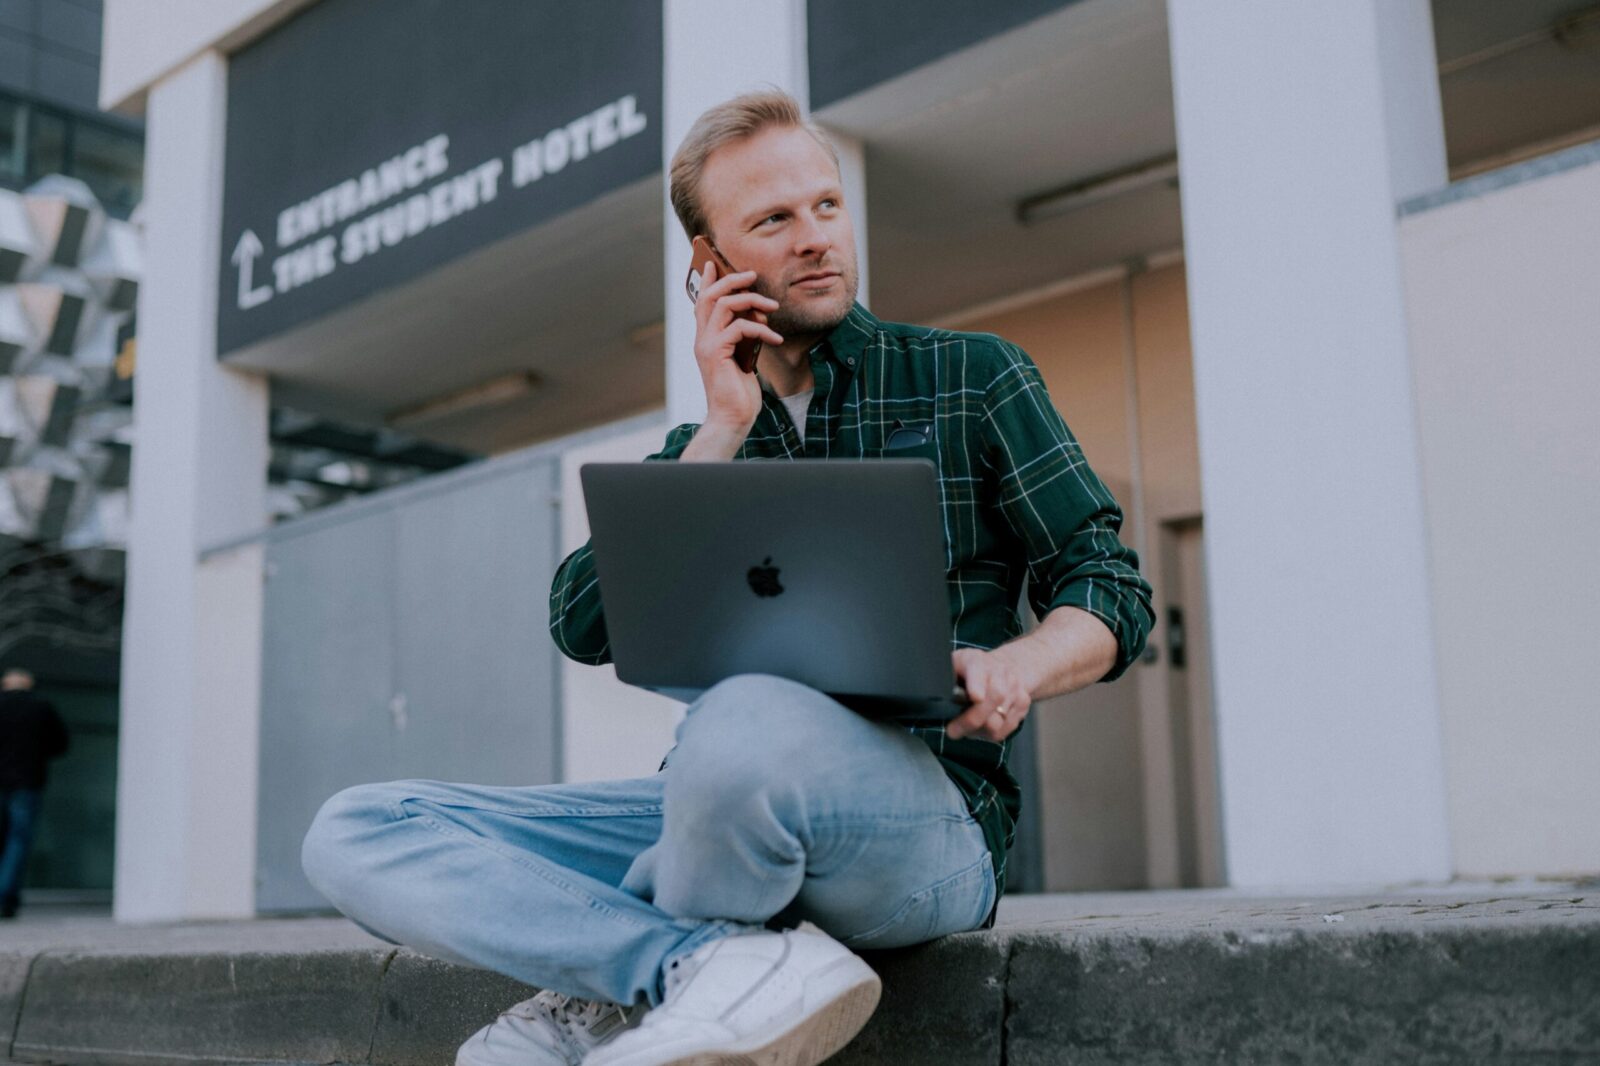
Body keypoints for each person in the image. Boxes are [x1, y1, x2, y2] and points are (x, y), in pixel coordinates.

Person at [301, 90, 1154, 1066]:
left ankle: (618, 984)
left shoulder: (971, 376)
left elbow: (1109, 589)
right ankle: (687, 965)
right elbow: (580, 622)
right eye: (774, 220)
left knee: (745, 712)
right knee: (357, 829)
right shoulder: (704, 443)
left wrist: (1017, 667)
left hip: (928, 820)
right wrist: (718, 427)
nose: (816, 238)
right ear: (709, 265)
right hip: (713, 803)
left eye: (826, 206)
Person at [0, 667, 71, 919]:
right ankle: (5, 896)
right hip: (26, 782)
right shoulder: (40, 707)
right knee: (17, 841)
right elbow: (60, 744)